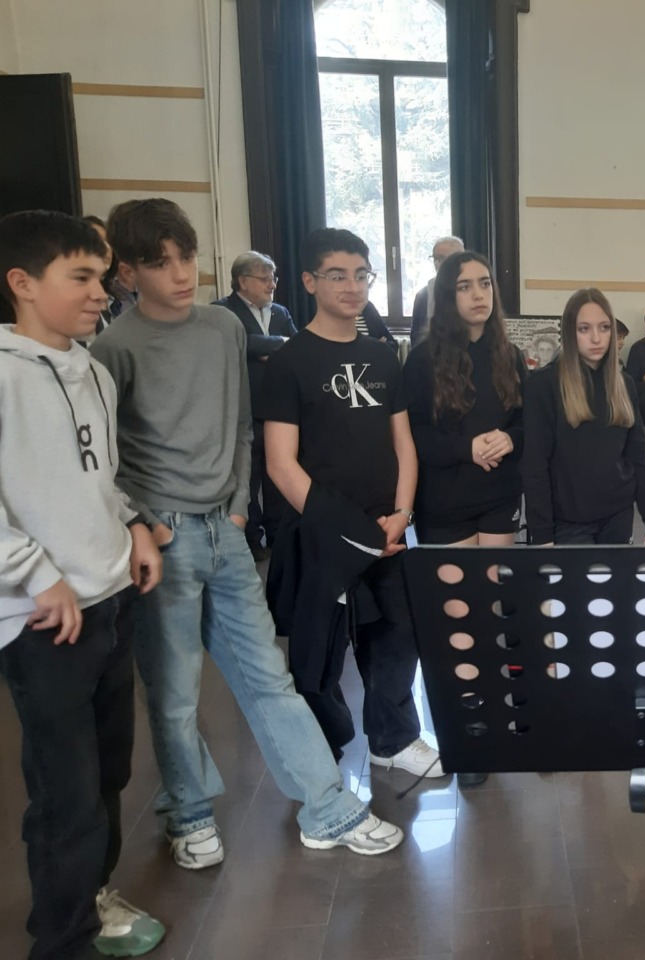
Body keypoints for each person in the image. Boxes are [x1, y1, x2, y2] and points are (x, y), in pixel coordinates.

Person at [91, 199, 403, 871]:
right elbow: (108, 459)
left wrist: (237, 507)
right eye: (160, 264)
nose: (180, 274)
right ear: (128, 272)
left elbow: (240, 426)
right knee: (175, 691)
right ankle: (189, 812)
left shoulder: (222, 328)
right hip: (163, 537)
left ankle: (327, 805)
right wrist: (142, 521)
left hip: (224, 530)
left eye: (186, 258)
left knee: (269, 677)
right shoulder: (112, 348)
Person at [0, 210, 166, 959]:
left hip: (110, 599)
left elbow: (99, 477)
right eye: (82, 277)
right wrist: (38, 577)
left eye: (102, 277)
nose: (102, 291)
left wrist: (134, 525)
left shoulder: (93, 369)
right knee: (64, 793)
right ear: (22, 283)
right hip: (45, 619)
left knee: (108, 773)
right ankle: (61, 940)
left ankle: (92, 898)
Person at [262, 227, 441, 778]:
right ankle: (324, 757)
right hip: (322, 532)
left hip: (388, 526)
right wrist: (352, 533)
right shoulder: (288, 362)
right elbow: (281, 464)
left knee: (397, 635)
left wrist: (402, 515)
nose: (352, 286)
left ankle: (393, 739)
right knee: (321, 653)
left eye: (361, 275)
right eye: (337, 275)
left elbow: (403, 444)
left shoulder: (383, 357)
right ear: (309, 281)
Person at [405, 250, 526, 545]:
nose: (478, 294)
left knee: (495, 576)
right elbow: (414, 435)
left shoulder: (511, 356)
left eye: (485, 284)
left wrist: (511, 439)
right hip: (445, 500)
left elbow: (528, 422)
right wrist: (466, 448)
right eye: (465, 286)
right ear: (448, 295)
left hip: (500, 494)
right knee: (458, 578)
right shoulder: (422, 359)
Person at [522, 288, 645, 545]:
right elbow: (535, 465)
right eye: (584, 329)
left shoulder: (624, 384)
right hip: (568, 523)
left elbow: (638, 457)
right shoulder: (544, 385)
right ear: (569, 333)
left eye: (604, 328)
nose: (596, 338)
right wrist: (541, 533)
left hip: (618, 516)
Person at [213, 251, 297, 560]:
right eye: (264, 279)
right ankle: (251, 538)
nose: (272, 285)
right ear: (243, 281)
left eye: (273, 278)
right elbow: (239, 343)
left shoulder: (280, 312)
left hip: (278, 409)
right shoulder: (222, 311)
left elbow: (297, 344)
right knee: (246, 478)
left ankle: (277, 534)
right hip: (241, 408)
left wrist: (267, 347)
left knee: (277, 475)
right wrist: (276, 344)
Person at [409, 235, 464, 346]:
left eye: (442, 258)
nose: (437, 263)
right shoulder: (423, 295)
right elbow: (416, 336)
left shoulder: (473, 291)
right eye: (435, 258)